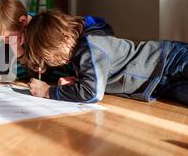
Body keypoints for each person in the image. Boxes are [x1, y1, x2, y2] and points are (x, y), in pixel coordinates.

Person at [23, 10, 188, 107]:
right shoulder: (79, 50)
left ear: (65, 38)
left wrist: (47, 91)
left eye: (52, 55)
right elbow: (97, 77)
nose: (53, 62)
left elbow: (92, 93)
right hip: (160, 84)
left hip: (170, 59)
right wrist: (77, 81)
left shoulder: (89, 46)